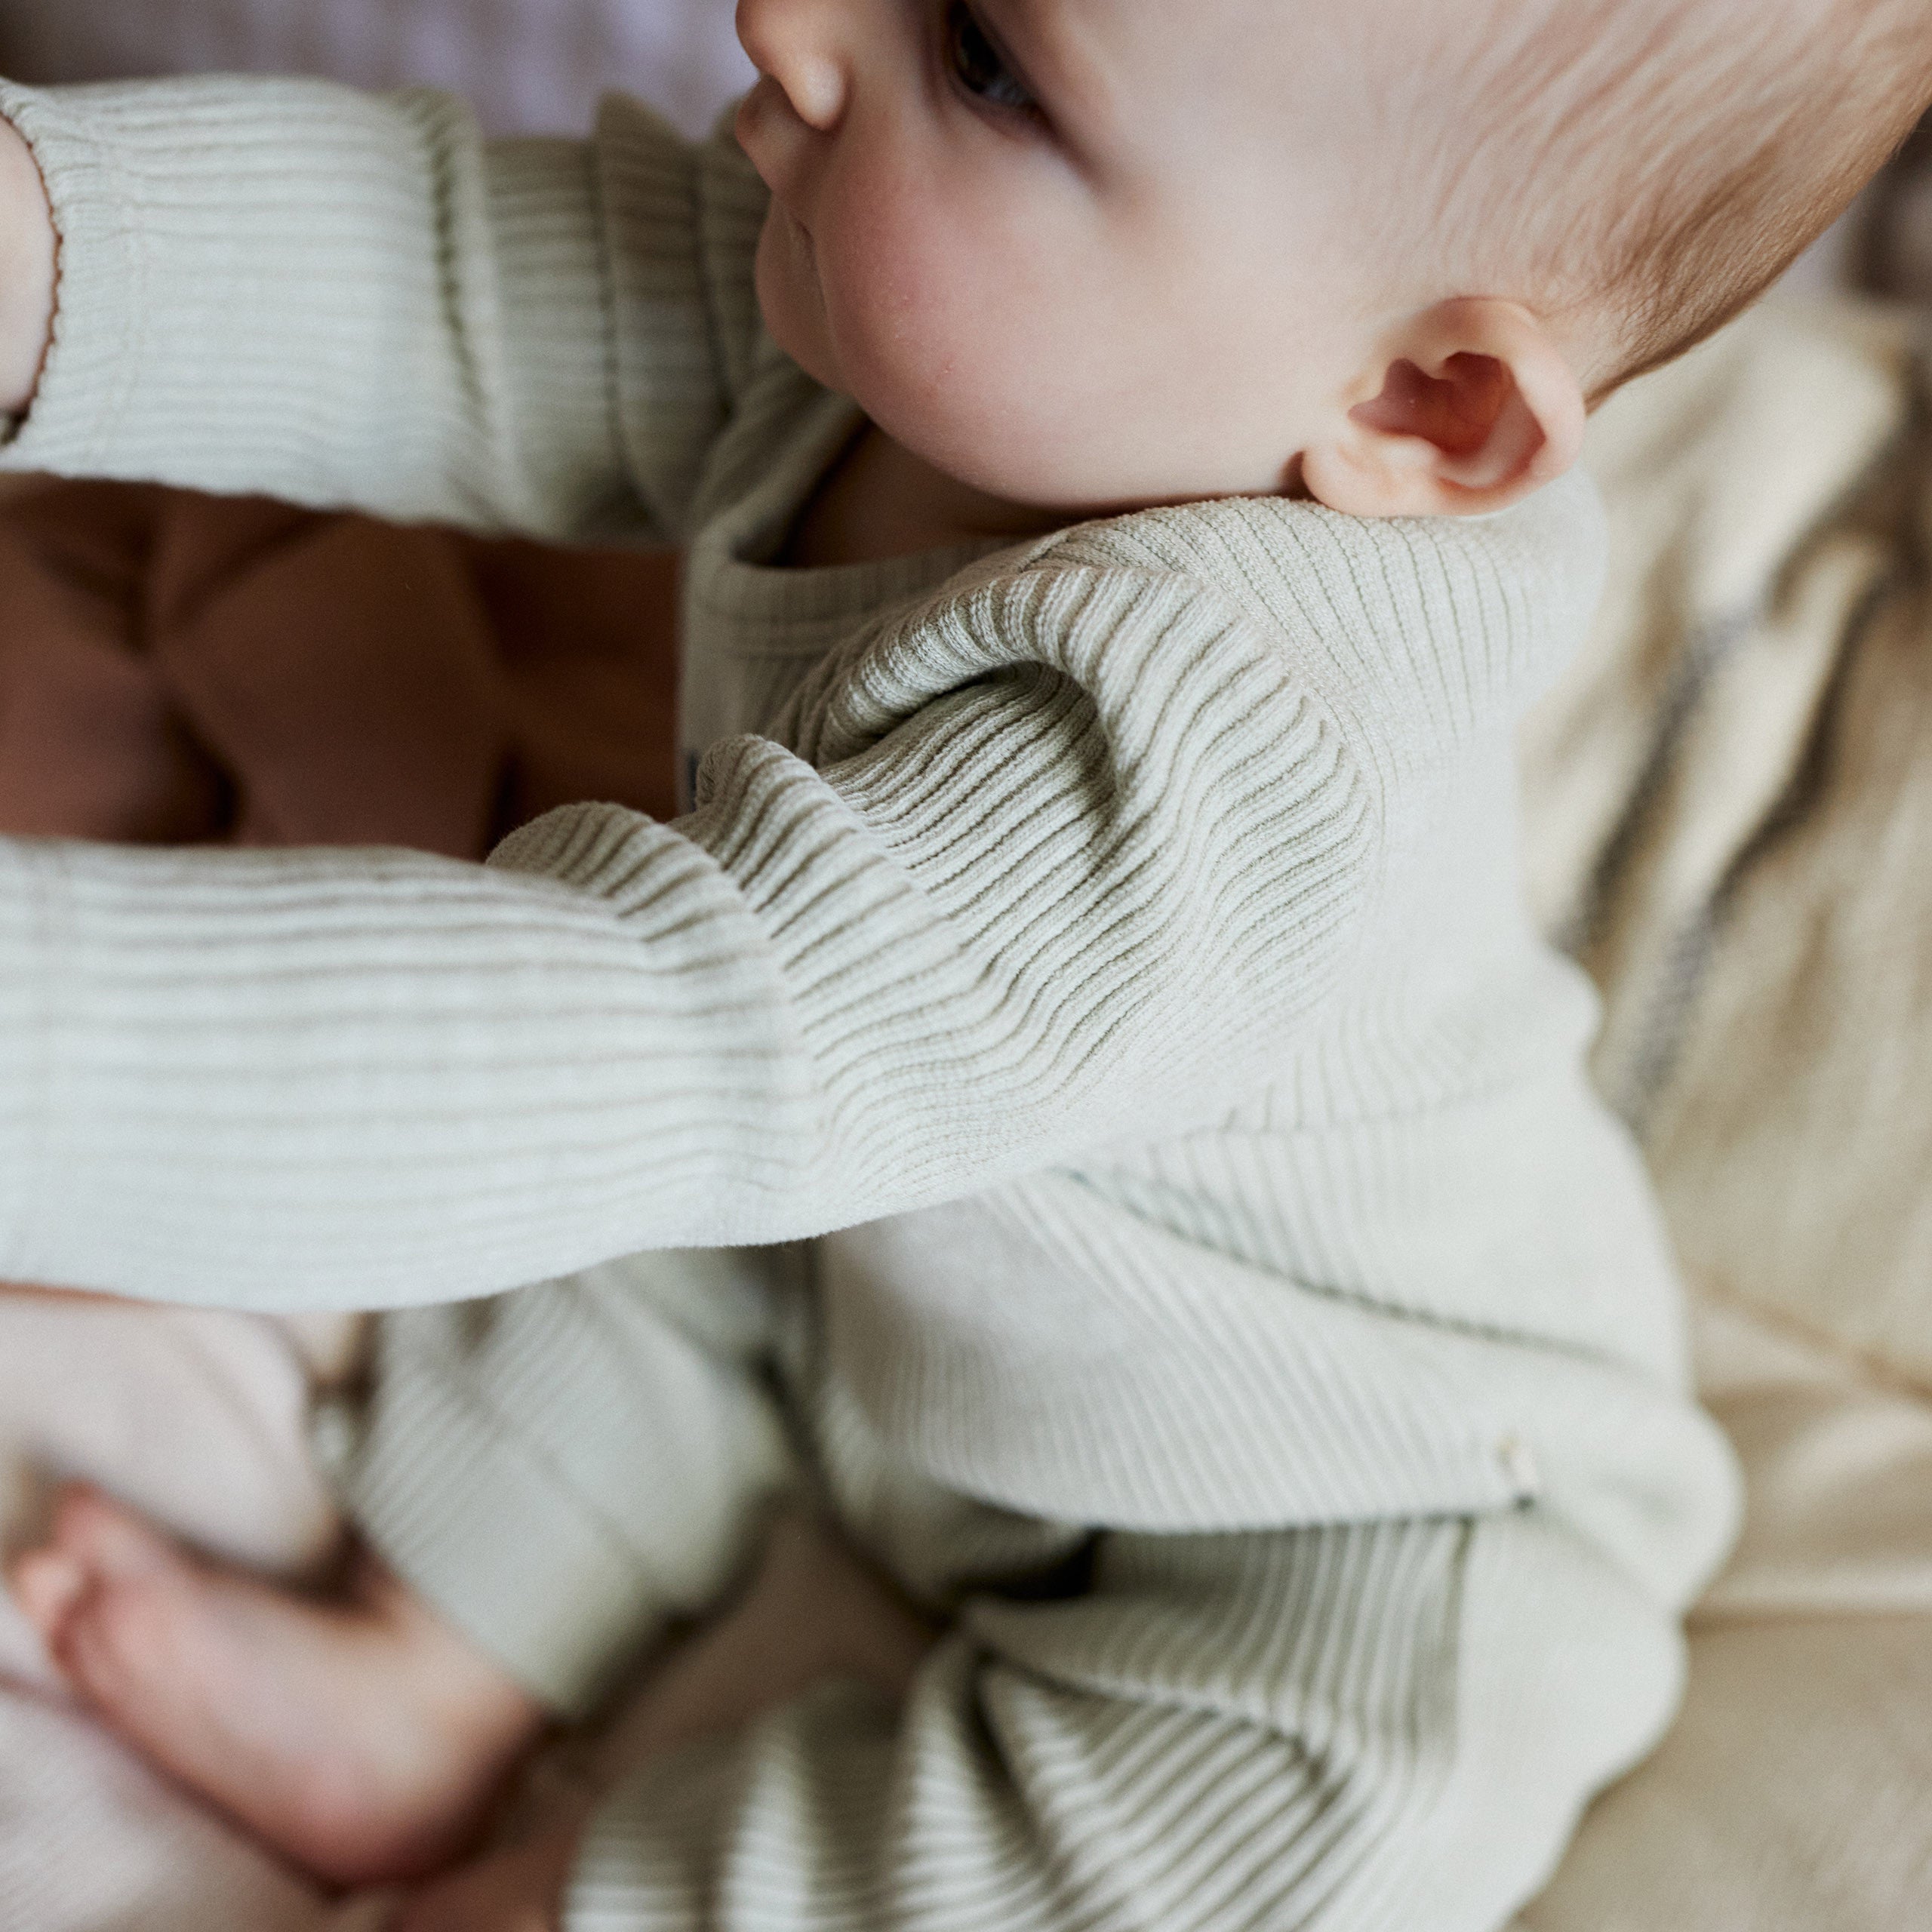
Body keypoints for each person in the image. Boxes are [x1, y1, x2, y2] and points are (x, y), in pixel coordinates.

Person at [2, 2, 1927, 1928]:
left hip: (1314, 1521)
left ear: (1419, 409)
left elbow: (658, 1027)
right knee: (646, 1252)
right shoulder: (961, 315)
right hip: (911, 1243)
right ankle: (455, 1652)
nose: (788, 24)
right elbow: (445, 285)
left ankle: (584, 1893)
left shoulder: (1205, 762)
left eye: (988, 58)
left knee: (1266, 1814)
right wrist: (40, 239)